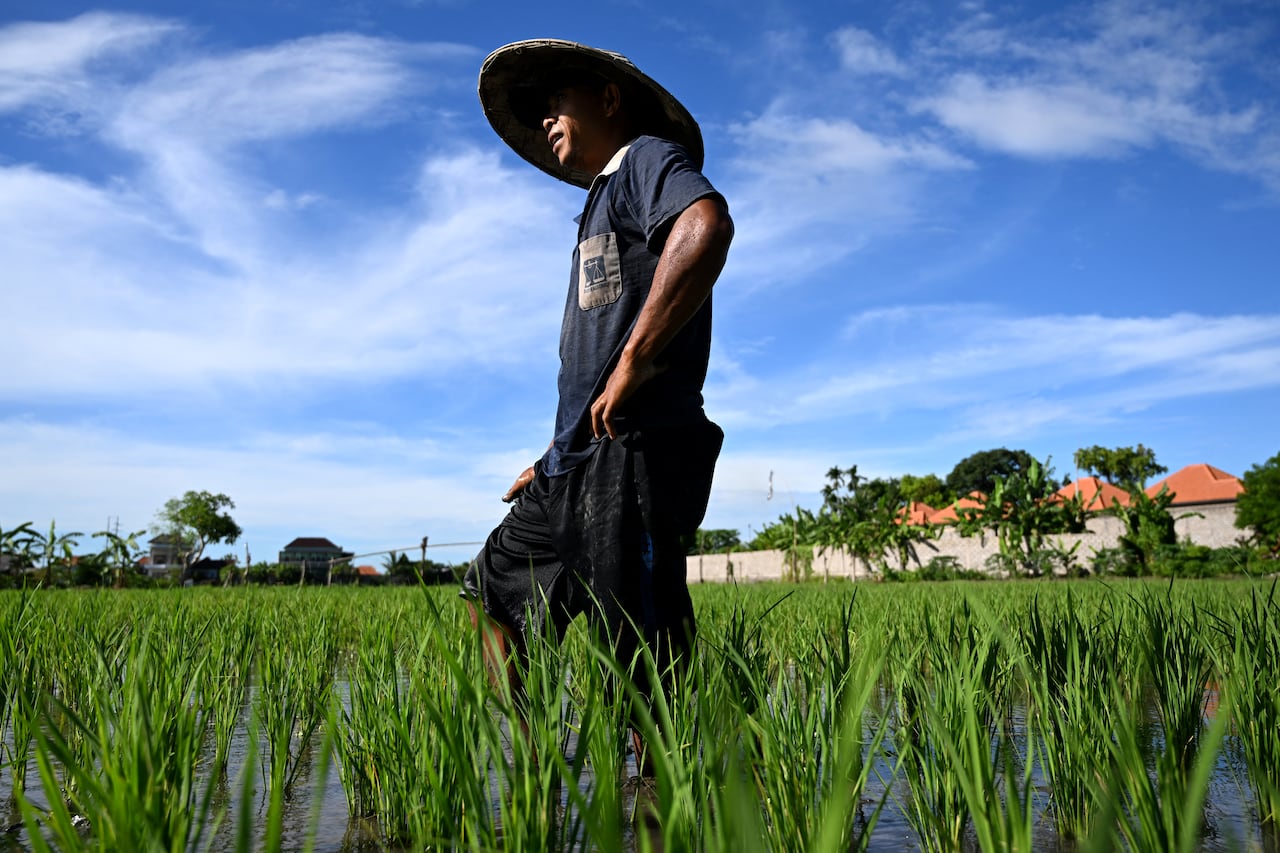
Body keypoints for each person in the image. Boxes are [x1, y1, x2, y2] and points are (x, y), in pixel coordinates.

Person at [465, 39, 733, 768]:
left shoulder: (645, 159)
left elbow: (705, 224)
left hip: (634, 452)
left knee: (641, 645)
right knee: (491, 589)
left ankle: (662, 802)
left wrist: (641, 360)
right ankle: (532, 764)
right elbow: (590, 366)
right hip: (574, 463)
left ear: (608, 100)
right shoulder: (597, 207)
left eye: (558, 101)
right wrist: (548, 456)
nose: (548, 118)